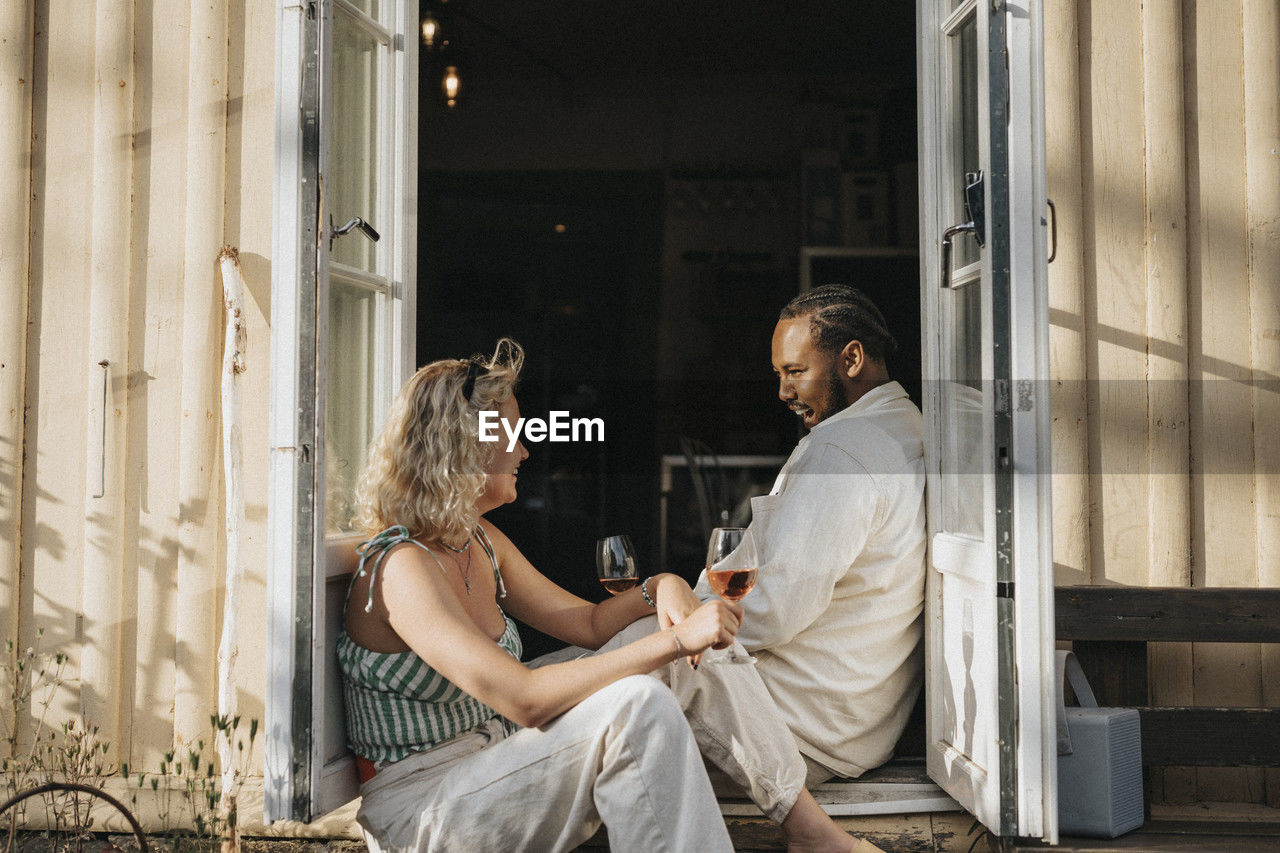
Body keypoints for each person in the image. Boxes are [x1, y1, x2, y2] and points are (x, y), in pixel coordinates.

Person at [338, 338, 881, 852]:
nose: (526, 451)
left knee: (654, 631)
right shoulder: (401, 567)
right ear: (465, 444)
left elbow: (593, 623)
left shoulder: (479, 540)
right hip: (426, 812)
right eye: (512, 434)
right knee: (636, 700)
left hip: (494, 758)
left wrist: (660, 587)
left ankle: (809, 830)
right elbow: (525, 700)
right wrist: (675, 644)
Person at [694, 284, 927, 785]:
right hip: (850, 725)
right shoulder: (912, 428)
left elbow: (769, 611)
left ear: (853, 358)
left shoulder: (842, 451)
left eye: (795, 372)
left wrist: (672, 620)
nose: (783, 392)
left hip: (785, 729)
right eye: (779, 374)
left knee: (581, 705)